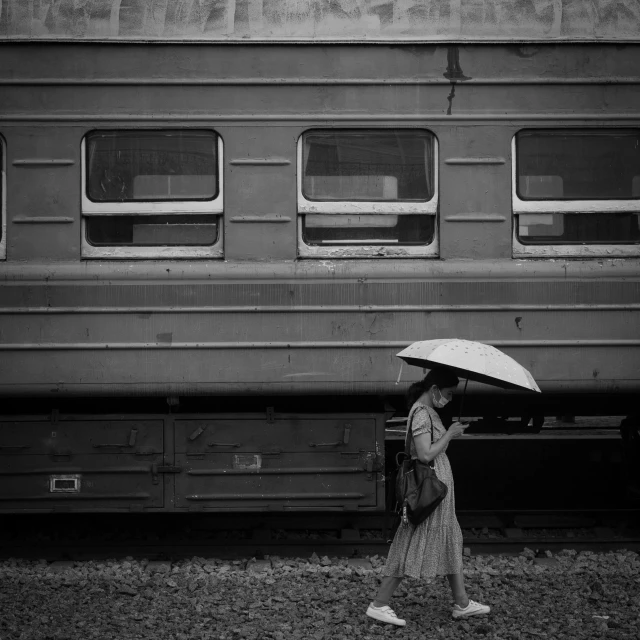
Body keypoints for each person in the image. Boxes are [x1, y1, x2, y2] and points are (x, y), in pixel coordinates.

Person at [366, 366, 490, 627]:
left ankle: (462, 603)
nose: (450, 398)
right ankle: (379, 604)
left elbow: (433, 449)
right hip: (429, 492)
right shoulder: (422, 413)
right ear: (434, 390)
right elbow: (424, 455)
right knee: (409, 542)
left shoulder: (427, 411)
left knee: (450, 539)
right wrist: (450, 433)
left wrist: (448, 434)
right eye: (448, 393)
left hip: (436, 492)